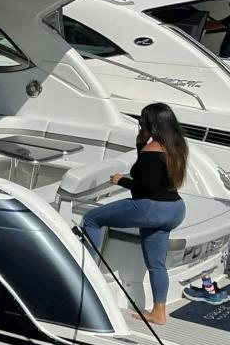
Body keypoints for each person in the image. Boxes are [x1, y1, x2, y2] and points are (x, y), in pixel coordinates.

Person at [80, 103, 189, 325]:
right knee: (156, 263)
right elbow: (152, 177)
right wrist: (140, 144)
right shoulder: (176, 146)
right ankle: (159, 313)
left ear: (149, 124)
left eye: (142, 120)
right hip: (175, 209)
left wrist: (121, 180)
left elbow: (145, 186)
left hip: (152, 208)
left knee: (92, 218)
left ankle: (84, 272)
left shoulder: (152, 151)